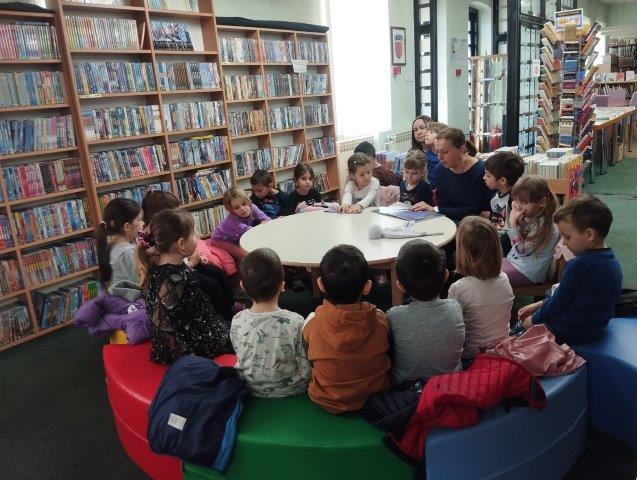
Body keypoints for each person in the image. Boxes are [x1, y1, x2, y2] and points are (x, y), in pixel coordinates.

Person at [518, 195, 623, 345]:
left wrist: (533, 320)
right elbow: (570, 297)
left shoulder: (578, 265)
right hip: (594, 327)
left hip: (569, 331)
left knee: (519, 331)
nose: (564, 243)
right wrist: (538, 305)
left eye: (567, 237)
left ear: (589, 235)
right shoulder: (612, 261)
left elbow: (559, 304)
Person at [303, 244, 390, 414]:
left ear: (320, 284)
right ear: (367, 286)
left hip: (327, 400)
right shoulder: (381, 319)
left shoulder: (312, 324)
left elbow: (309, 357)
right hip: (376, 396)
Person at [138, 209, 231, 365]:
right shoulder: (175, 279)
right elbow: (163, 325)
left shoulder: (160, 268)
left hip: (192, 332)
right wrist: (189, 358)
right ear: (181, 244)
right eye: (193, 234)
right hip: (191, 346)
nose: (197, 237)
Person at [141, 190, 236, 321]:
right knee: (211, 285)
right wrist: (190, 263)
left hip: (183, 264)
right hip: (175, 274)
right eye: (175, 210)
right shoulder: (153, 238)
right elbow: (167, 268)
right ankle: (228, 316)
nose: (178, 213)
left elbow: (178, 252)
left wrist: (195, 259)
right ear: (163, 214)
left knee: (216, 271)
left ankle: (232, 305)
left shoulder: (169, 228)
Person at [230, 248, 311, 397]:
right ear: (282, 285)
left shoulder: (237, 320)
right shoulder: (296, 321)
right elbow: (304, 358)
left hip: (252, 388)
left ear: (242, 286)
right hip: (295, 388)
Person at [387, 239, 464, 387]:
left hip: (406, 387)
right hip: (451, 384)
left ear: (400, 286)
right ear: (446, 276)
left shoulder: (393, 315)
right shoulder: (455, 307)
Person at [448, 217, 514, 360]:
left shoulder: (458, 288)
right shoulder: (504, 278)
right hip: (502, 350)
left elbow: (452, 329)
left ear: (463, 253)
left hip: (472, 357)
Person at [411, 128, 490, 224]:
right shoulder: (440, 169)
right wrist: (439, 210)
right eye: (438, 152)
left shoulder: (479, 171)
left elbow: (471, 211)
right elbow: (443, 205)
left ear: (461, 149)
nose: (439, 157)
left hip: (472, 225)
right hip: (448, 220)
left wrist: (436, 209)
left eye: (445, 152)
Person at [503, 175, 560, 287]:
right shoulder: (532, 217)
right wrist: (520, 225)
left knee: (488, 277)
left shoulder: (545, 225)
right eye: (516, 201)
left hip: (527, 272)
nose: (519, 207)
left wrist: (513, 225)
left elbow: (522, 251)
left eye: (524, 202)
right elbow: (516, 245)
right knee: (484, 267)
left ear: (542, 202)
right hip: (517, 263)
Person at [96, 197, 144, 302]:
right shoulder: (128, 253)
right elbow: (141, 283)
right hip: (132, 304)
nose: (143, 223)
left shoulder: (109, 247)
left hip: (119, 304)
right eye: (139, 219)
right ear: (127, 227)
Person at [483, 151, 526, 254]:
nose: (484, 178)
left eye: (488, 175)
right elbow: (499, 222)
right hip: (500, 232)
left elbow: (517, 228)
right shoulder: (495, 197)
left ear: (502, 180)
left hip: (510, 240)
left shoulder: (515, 201)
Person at [211, 188, 270, 262]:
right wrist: (260, 226)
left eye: (244, 204)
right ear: (232, 210)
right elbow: (247, 230)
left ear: (248, 201)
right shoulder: (232, 220)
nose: (242, 208)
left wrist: (273, 222)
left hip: (236, 237)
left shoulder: (252, 207)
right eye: (237, 207)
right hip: (220, 239)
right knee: (244, 255)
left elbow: (265, 218)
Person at [422, 121, 447, 189]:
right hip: (430, 187)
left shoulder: (446, 156)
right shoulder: (426, 155)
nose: (426, 134)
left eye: (431, 132)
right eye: (427, 132)